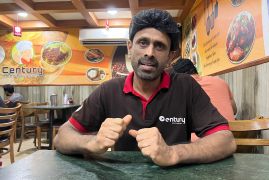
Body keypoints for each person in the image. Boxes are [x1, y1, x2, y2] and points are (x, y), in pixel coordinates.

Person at [54, 9, 236, 167]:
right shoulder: (108, 90)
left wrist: (172, 153)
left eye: (159, 46)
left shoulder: (186, 86)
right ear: (130, 47)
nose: (149, 52)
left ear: (170, 56)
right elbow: (62, 136)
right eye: (143, 43)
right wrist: (93, 142)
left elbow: (226, 140)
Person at [171, 58, 237, 141]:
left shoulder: (181, 88)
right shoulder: (220, 82)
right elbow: (234, 110)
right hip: (234, 140)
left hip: (201, 145)